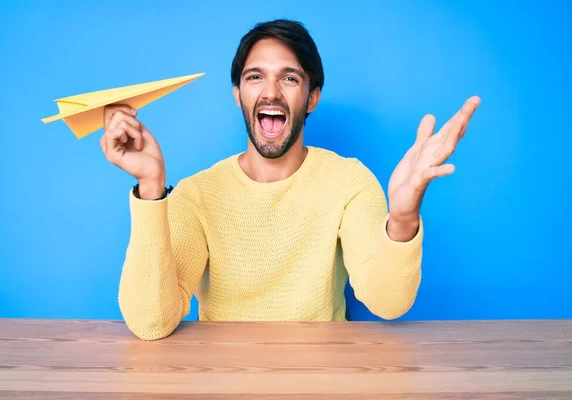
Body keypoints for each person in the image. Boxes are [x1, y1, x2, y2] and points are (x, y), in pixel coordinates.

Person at [100, 19, 480, 340]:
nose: (270, 92)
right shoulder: (196, 194)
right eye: (255, 77)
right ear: (238, 94)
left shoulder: (349, 182)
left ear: (312, 97)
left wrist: (402, 221)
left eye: (289, 78)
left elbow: (388, 302)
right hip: (223, 383)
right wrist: (151, 188)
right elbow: (151, 323)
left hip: (321, 380)